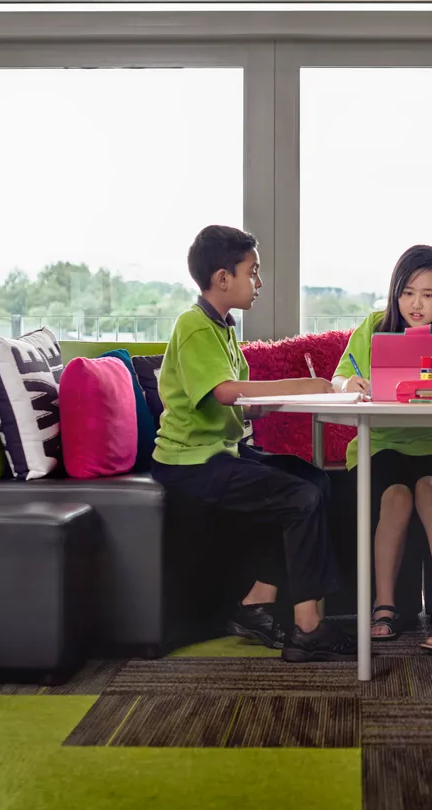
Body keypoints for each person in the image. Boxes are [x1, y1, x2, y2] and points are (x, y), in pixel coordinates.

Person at [151, 225, 359, 661]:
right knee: (300, 496)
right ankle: (307, 628)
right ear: (222, 278)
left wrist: (261, 407)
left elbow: (231, 403)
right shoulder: (194, 326)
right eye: (253, 272)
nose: (259, 282)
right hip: (190, 463)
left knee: (315, 480)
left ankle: (257, 600)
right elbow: (226, 392)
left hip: (221, 452)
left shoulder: (222, 328)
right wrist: (303, 384)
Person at [332, 245, 432, 656]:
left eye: (428, 295)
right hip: (379, 445)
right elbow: (339, 378)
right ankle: (384, 605)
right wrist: (349, 384)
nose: (416, 304)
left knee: (430, 489)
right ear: (395, 292)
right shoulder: (373, 327)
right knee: (395, 495)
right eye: (407, 293)